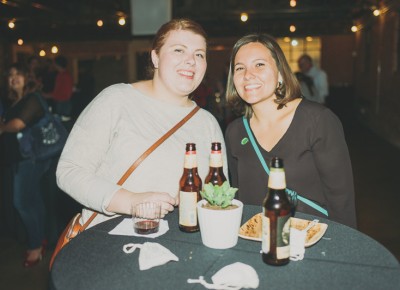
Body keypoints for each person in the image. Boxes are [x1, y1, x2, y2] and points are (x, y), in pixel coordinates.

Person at [56, 18, 227, 228]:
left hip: (180, 248)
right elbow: (69, 171)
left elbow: (218, 195)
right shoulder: (116, 100)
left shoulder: (208, 124)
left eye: (199, 54)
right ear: (155, 57)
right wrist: (131, 201)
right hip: (108, 247)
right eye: (179, 50)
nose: (191, 60)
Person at [224, 33, 356, 228]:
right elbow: (237, 200)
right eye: (240, 68)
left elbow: (341, 201)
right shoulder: (235, 132)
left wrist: (342, 251)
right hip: (254, 244)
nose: (248, 75)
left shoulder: (317, 121)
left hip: (312, 243)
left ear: (279, 73)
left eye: (259, 64)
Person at [0, 63, 52, 267]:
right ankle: (40, 239)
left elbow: (19, 124)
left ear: (27, 77)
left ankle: (35, 246)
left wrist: (3, 127)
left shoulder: (33, 98)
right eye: (10, 75)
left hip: (31, 158)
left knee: (20, 202)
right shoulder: (15, 101)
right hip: (20, 158)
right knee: (33, 200)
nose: (13, 78)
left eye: (18, 74)